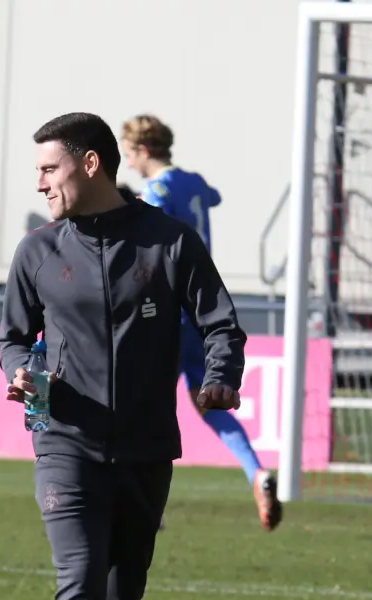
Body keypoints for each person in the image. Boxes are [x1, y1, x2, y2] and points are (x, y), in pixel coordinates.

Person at [0, 112, 246, 600]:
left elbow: (221, 324)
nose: (39, 184)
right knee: (80, 583)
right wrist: (20, 370)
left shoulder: (170, 241)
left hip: (146, 450)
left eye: (49, 170)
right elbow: (13, 338)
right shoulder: (36, 251)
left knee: (121, 591)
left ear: (90, 164)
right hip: (62, 441)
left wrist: (220, 375)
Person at [121, 114, 282, 532]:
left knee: (141, 402)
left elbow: (149, 242)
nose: (127, 162)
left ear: (141, 151)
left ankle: (141, 501)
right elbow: (213, 197)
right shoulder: (191, 181)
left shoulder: (157, 189)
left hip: (166, 308)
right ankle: (256, 473)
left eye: (127, 153)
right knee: (207, 400)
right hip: (199, 306)